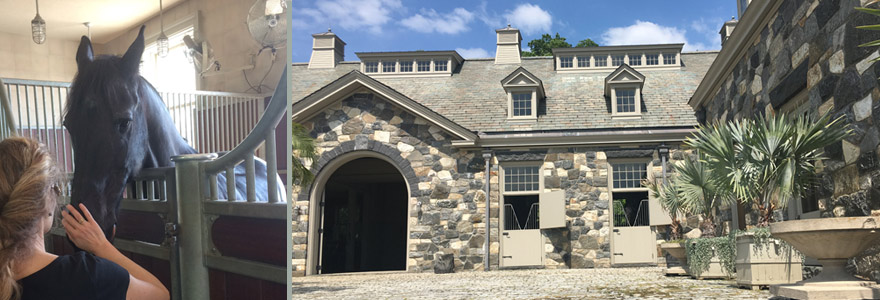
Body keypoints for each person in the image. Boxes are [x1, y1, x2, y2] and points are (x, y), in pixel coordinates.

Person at [0, 137, 169, 300]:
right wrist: (102, 247)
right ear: (46, 199)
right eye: (56, 189)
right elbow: (160, 295)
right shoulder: (88, 276)